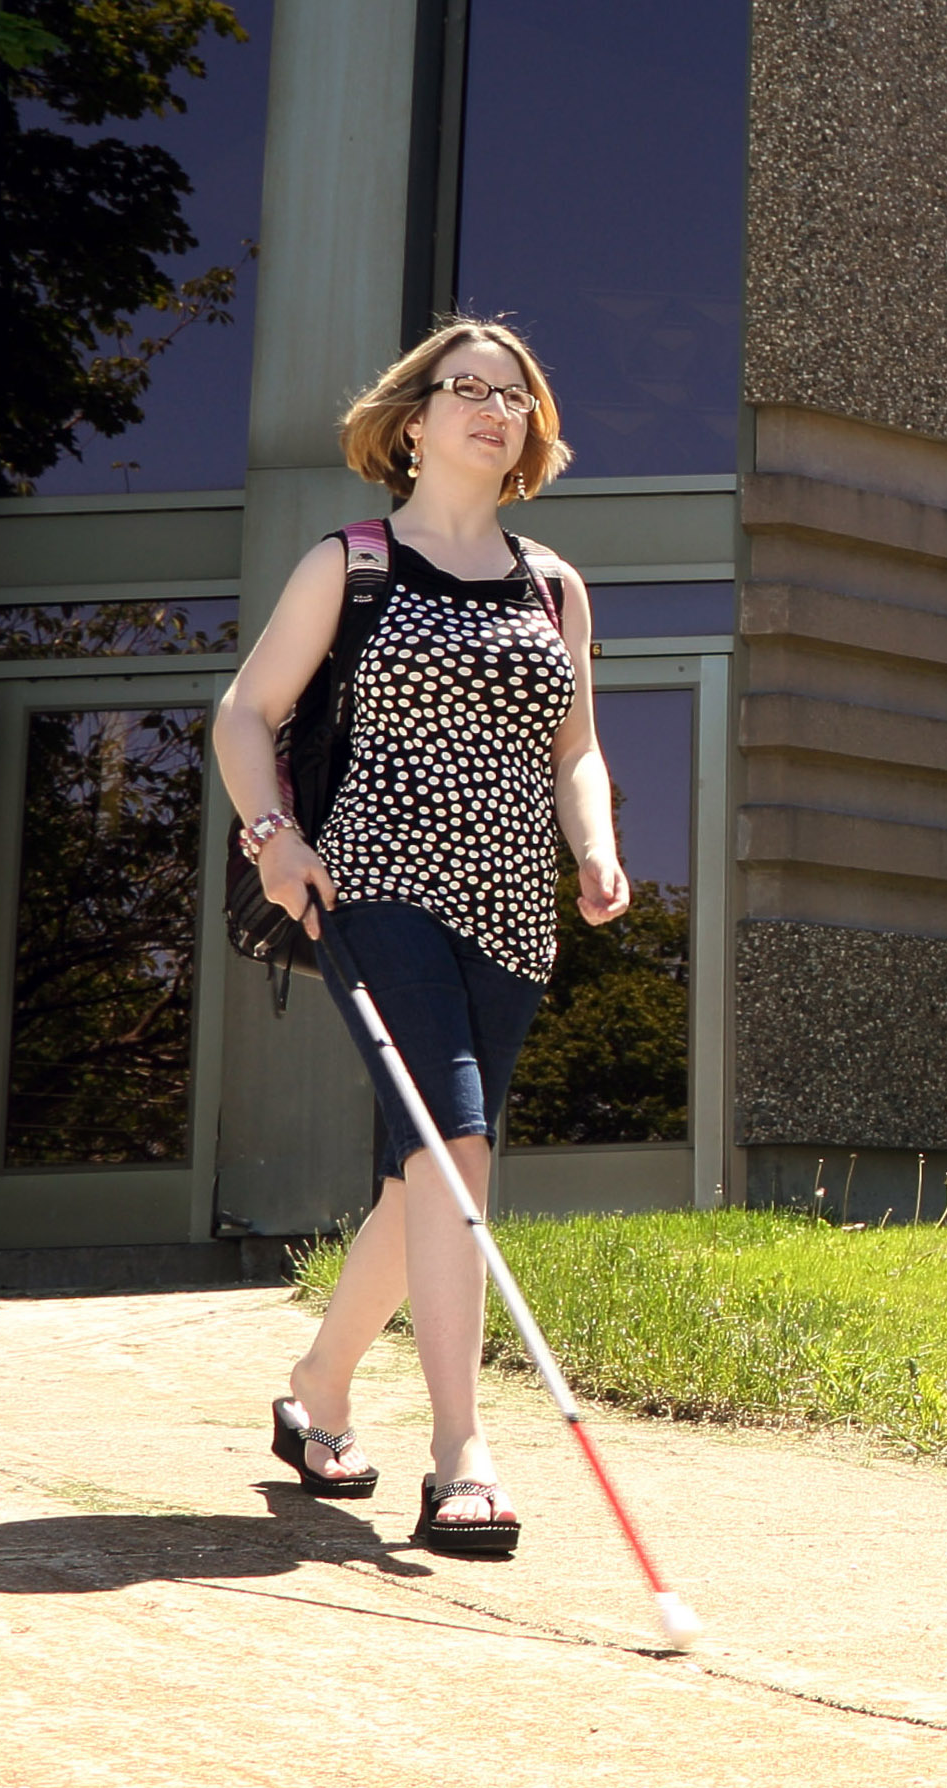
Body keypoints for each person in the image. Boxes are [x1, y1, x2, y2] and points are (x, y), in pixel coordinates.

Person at [212, 317, 627, 1555]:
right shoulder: (352, 562)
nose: (494, 409)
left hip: (513, 912)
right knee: (457, 1149)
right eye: (469, 389)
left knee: (426, 1177)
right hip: (378, 889)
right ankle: (462, 1453)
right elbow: (245, 712)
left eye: (516, 396)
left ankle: (318, 1389)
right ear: (414, 421)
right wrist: (276, 835)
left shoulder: (553, 584)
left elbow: (579, 747)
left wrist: (594, 843)